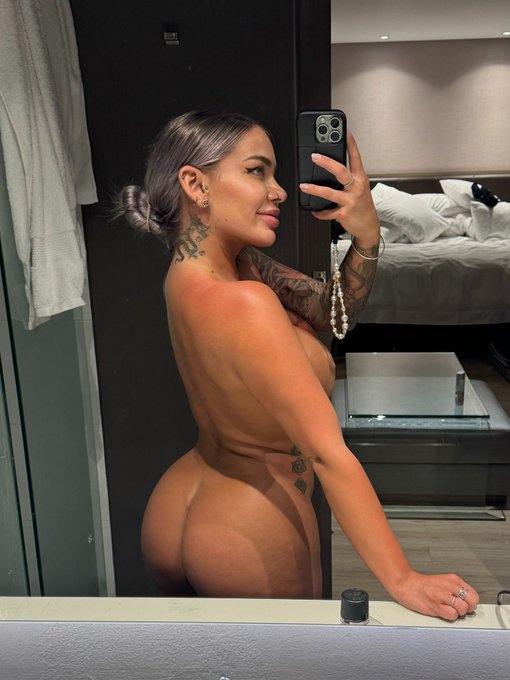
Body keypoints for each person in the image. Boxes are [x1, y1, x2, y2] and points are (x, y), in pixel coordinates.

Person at [118, 111, 479, 620]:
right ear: (196, 184)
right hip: (250, 523)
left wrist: (367, 238)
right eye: (256, 171)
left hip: (183, 498)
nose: (280, 191)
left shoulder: (201, 270)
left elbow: (332, 311)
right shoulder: (246, 302)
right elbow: (328, 455)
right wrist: (403, 578)